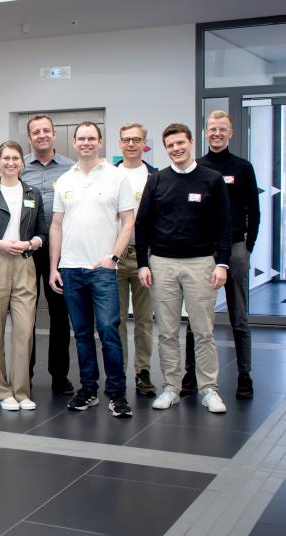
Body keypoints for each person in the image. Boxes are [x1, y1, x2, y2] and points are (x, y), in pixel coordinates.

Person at [137, 123, 233, 414]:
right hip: (162, 264)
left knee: (203, 331)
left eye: (180, 143)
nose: (176, 149)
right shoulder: (156, 180)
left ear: (191, 142)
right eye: (170, 146)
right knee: (166, 331)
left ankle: (209, 390)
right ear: (165, 149)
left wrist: (222, 264)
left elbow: (224, 225)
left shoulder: (212, 179)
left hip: (201, 263)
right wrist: (143, 263)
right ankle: (171, 387)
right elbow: (142, 224)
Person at [49, 122, 135, 418]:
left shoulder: (116, 177)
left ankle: (117, 394)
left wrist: (113, 257)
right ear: (74, 143)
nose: (86, 143)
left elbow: (128, 220)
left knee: (109, 330)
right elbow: (56, 225)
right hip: (71, 269)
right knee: (82, 333)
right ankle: (88, 389)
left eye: (91, 138)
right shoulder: (64, 180)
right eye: (81, 138)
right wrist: (54, 267)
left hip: (102, 268)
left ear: (100, 142)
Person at [182, 111, 260, 400]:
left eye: (222, 129)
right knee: (197, 317)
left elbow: (255, 210)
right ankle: (191, 374)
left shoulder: (242, 167)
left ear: (231, 133)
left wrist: (247, 247)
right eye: (212, 129)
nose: (216, 133)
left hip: (236, 248)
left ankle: (244, 375)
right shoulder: (196, 166)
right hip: (204, 251)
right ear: (205, 132)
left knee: (239, 316)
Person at [0, 141, 45, 411]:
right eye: (6, 158)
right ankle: (1, 391)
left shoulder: (33, 193)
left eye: (16, 158)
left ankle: (21, 391)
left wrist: (30, 244)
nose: (11, 162)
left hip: (25, 263)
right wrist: (1, 244)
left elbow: (43, 234)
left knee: (24, 331)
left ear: (22, 163)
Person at [21, 114, 75, 394]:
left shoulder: (71, 168)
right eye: (36, 132)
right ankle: (24, 374)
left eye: (46, 131)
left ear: (54, 135)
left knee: (59, 314)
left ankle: (59, 375)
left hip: (60, 251)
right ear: (29, 138)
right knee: (25, 314)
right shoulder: (20, 168)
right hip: (28, 250)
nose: (41, 135)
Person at [115, 123, 157, 397]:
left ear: (145, 144)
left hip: (145, 256)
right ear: (120, 143)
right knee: (115, 319)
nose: (131, 144)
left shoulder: (155, 176)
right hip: (115, 255)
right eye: (126, 140)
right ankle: (118, 372)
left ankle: (143, 372)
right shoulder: (108, 174)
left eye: (136, 140)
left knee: (143, 319)